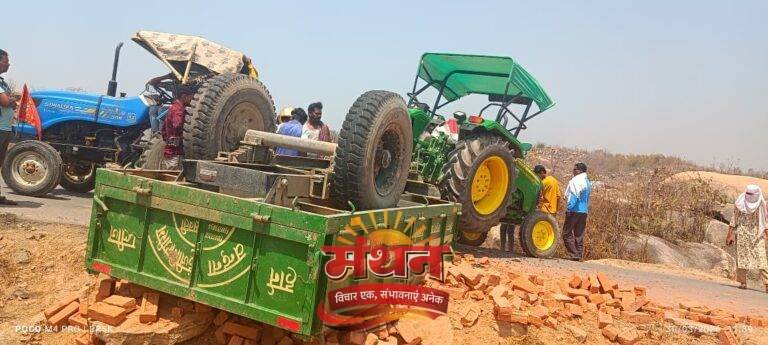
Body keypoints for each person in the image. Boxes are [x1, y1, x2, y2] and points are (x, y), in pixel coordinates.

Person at [726, 184, 768, 292]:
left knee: (761, 258)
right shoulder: (740, 203)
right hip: (742, 233)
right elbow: (734, 218)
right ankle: (743, 282)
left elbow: (764, 220)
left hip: (757, 234)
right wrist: (729, 234)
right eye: (748, 194)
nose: (750, 197)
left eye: (752, 195)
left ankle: (767, 283)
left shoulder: (761, 204)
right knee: (741, 258)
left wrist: (766, 232)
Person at [563, 162, 592, 261]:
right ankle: (579, 255)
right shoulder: (587, 181)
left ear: (580, 171)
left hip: (575, 210)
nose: (573, 171)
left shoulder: (577, 181)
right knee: (579, 234)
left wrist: (569, 208)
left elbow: (575, 195)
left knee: (566, 233)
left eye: (575, 169)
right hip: (584, 211)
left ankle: (574, 253)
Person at [0, 49, 18, 205]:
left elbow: (10, 101)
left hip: (5, 128)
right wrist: (11, 100)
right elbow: (6, 102)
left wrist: (11, 100)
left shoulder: (2, 83)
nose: (9, 64)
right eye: (6, 61)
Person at [161, 86, 194, 170]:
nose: (192, 100)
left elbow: (163, 129)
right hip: (176, 152)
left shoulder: (173, 107)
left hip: (171, 150)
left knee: (170, 174)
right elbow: (177, 125)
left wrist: (169, 141)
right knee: (174, 176)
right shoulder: (178, 110)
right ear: (184, 96)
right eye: (191, 97)